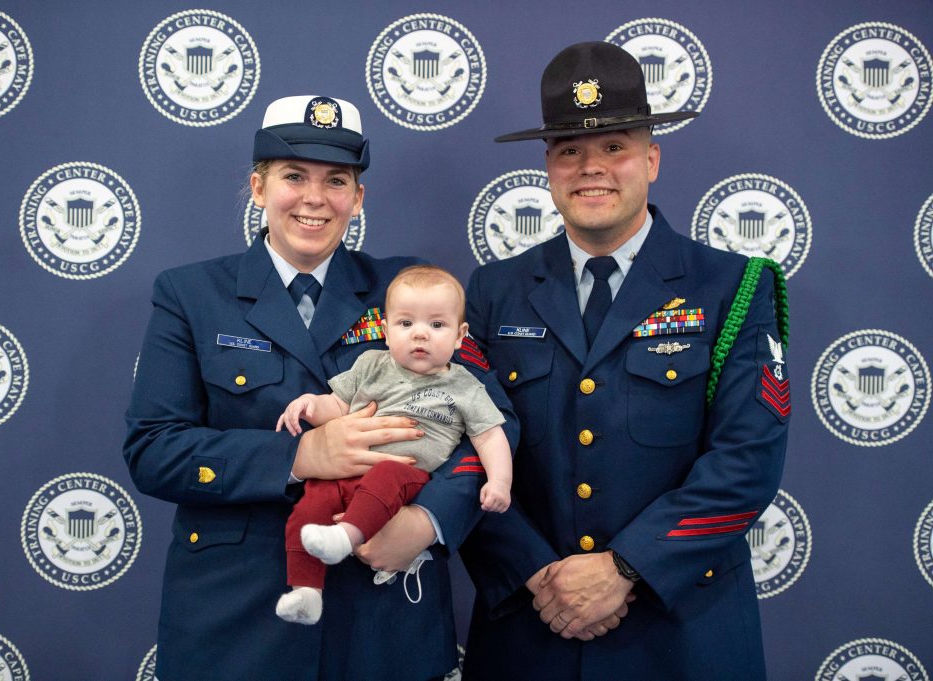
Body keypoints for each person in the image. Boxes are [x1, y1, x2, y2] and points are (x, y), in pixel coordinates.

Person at [124, 95, 515, 681]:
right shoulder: (189, 294)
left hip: (383, 615)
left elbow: (493, 422)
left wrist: (429, 522)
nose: (314, 198)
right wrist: (300, 456)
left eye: (336, 180)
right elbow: (154, 450)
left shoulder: (410, 289)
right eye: (293, 177)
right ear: (258, 188)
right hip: (238, 617)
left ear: (357, 199)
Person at [459, 42, 790, 681]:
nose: (592, 168)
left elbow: (747, 460)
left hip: (681, 633)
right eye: (569, 151)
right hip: (532, 628)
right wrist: (537, 574)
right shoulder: (492, 291)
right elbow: (460, 448)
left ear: (653, 159)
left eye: (615, 147)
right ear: (548, 168)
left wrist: (625, 567)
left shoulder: (733, 286)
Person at [274, 265, 512, 625]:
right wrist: (309, 404)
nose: (420, 335)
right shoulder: (371, 365)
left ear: (461, 336)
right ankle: (306, 591)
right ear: (385, 331)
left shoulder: (466, 386)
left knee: (386, 473)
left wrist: (499, 483)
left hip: (406, 477)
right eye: (406, 324)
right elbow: (337, 405)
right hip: (346, 471)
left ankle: (346, 535)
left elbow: (490, 435)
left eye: (436, 325)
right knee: (311, 504)